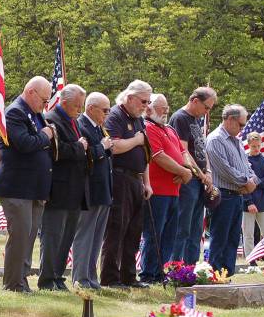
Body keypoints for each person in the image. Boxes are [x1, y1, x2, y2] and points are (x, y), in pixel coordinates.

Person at [0, 77, 54, 293]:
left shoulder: (37, 114)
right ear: (30, 92)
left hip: (33, 187)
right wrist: (45, 135)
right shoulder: (15, 113)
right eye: (43, 100)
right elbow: (25, 144)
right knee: (20, 235)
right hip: (16, 186)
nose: (45, 105)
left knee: (28, 237)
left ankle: (22, 279)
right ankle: (12, 283)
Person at [101, 80, 153, 288]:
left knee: (134, 230)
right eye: (143, 101)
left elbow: (145, 155)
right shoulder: (116, 116)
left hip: (136, 179)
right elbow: (113, 146)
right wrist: (136, 140)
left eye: (148, 102)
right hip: (119, 177)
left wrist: (146, 182)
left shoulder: (138, 120)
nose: (145, 106)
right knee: (117, 228)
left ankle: (129, 275)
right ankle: (110, 277)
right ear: (130, 98)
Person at [39, 84, 88, 291]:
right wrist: (80, 146)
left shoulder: (73, 121)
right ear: (64, 103)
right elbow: (57, 151)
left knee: (67, 236)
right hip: (58, 188)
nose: (79, 110)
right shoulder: (52, 120)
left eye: (81, 106)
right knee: (53, 236)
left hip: (75, 189)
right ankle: (47, 278)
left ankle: (58, 276)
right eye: (77, 106)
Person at [140, 94, 193, 283]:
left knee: (169, 235)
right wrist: (183, 172)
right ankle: (148, 273)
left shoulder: (170, 129)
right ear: (150, 109)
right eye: (162, 108)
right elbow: (158, 156)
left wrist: (187, 169)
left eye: (167, 107)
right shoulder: (148, 128)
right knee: (154, 233)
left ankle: (161, 272)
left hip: (174, 190)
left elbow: (183, 152)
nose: (166, 111)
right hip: (157, 190)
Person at [204, 104, 257, 277]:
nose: (242, 128)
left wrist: (252, 180)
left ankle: (226, 274)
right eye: (241, 125)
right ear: (230, 119)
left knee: (233, 238)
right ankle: (215, 274)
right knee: (220, 237)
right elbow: (224, 169)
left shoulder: (237, 141)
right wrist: (245, 182)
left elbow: (246, 164)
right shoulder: (216, 139)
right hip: (223, 196)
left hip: (236, 196)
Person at [169, 87, 217, 264]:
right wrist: (200, 174)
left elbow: (202, 150)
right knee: (183, 227)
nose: (207, 111)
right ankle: (176, 266)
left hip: (200, 181)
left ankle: (191, 267)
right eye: (207, 107)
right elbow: (183, 152)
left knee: (197, 229)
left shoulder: (197, 120)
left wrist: (209, 172)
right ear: (195, 100)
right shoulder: (180, 118)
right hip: (188, 180)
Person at [71, 92, 114, 289]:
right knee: (86, 236)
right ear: (91, 108)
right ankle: (80, 277)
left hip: (103, 189)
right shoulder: (82, 126)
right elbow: (86, 155)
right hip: (90, 189)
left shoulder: (99, 128)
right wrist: (102, 147)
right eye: (104, 110)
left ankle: (91, 276)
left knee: (97, 237)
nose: (107, 113)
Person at [242, 131, 264, 264]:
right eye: (253, 146)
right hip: (247, 202)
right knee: (248, 233)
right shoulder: (243, 160)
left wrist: (254, 183)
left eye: (258, 145)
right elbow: (242, 182)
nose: (256, 148)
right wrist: (249, 202)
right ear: (248, 144)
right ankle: (251, 259)